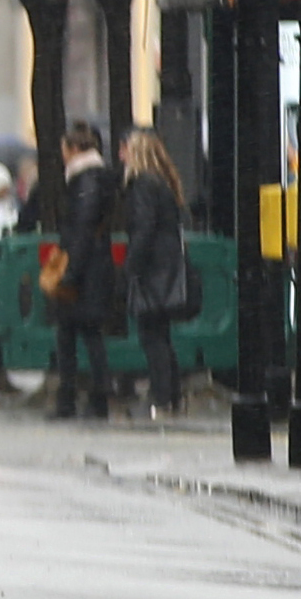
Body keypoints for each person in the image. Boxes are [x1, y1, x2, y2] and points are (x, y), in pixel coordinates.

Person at [116, 131, 192, 413]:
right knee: (161, 333)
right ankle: (171, 396)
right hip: (167, 263)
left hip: (153, 268)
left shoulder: (142, 185)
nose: (120, 155)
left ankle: (160, 398)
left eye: (124, 149)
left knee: (152, 335)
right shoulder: (163, 183)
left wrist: (131, 266)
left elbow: (144, 228)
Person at [50, 124, 120, 419]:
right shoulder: (95, 179)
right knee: (82, 335)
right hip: (93, 266)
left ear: (75, 150)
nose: (63, 156)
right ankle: (88, 396)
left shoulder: (86, 182)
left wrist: (71, 272)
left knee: (80, 335)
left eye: (65, 150)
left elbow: (82, 229)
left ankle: (82, 398)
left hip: (85, 270)